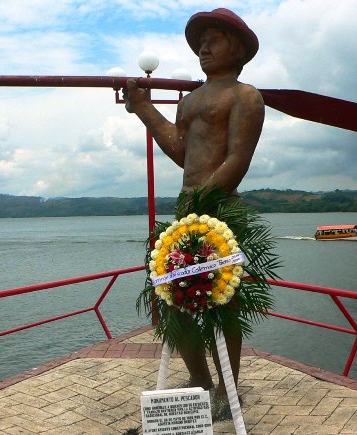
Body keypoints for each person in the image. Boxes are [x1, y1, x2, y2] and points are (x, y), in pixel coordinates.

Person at [124, 8, 264, 411]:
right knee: (174, 299)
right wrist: (145, 109)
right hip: (188, 211)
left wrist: (202, 204)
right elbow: (182, 152)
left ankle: (227, 388)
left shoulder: (245, 96)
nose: (203, 48)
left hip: (221, 209)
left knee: (224, 300)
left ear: (237, 49)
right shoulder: (189, 101)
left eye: (213, 40)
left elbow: (237, 159)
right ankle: (199, 378)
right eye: (200, 42)